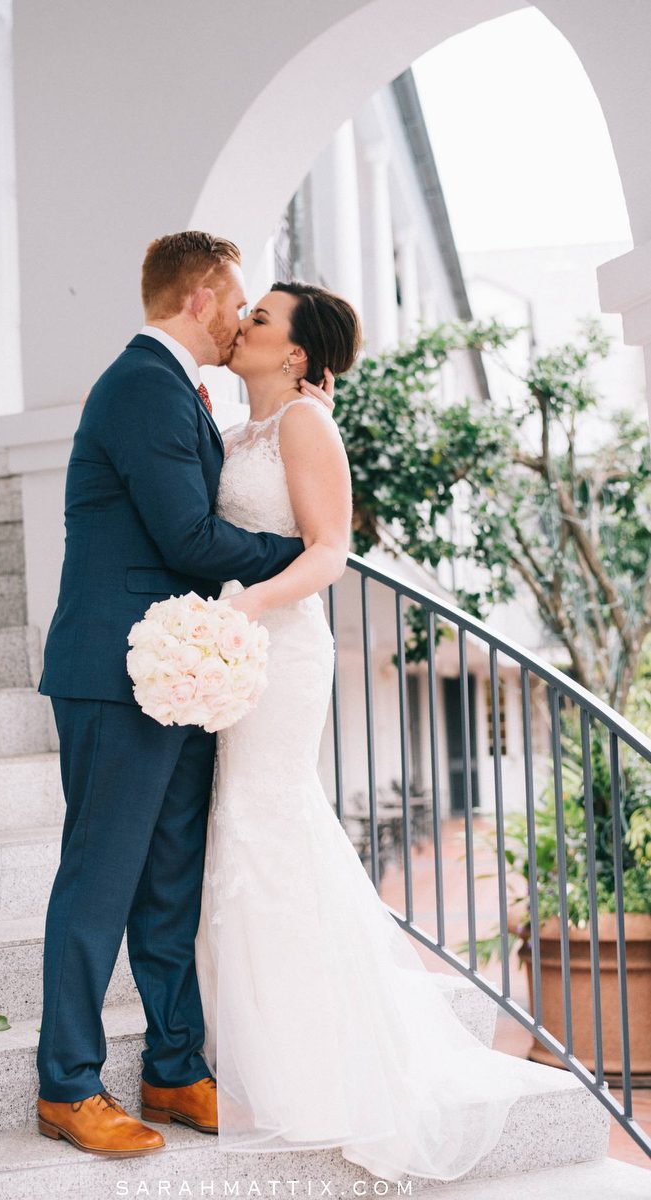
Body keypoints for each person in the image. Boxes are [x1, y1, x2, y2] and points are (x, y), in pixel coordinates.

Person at [191, 282, 535, 1185]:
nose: (241, 324)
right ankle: (263, 1046)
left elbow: (328, 549)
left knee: (263, 829)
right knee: (242, 831)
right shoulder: (236, 431)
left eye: (260, 318)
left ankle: (305, 1067)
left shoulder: (306, 426)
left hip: (278, 644)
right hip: (231, 648)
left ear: (297, 355)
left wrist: (242, 606)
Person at [33, 232, 333, 1158]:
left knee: (169, 881)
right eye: (237, 300)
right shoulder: (141, 386)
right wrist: (305, 554)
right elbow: (191, 542)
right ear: (201, 297)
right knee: (101, 876)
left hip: (182, 674)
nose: (242, 317)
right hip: (113, 673)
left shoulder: (188, 396)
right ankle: (67, 1085)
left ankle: (172, 1065)